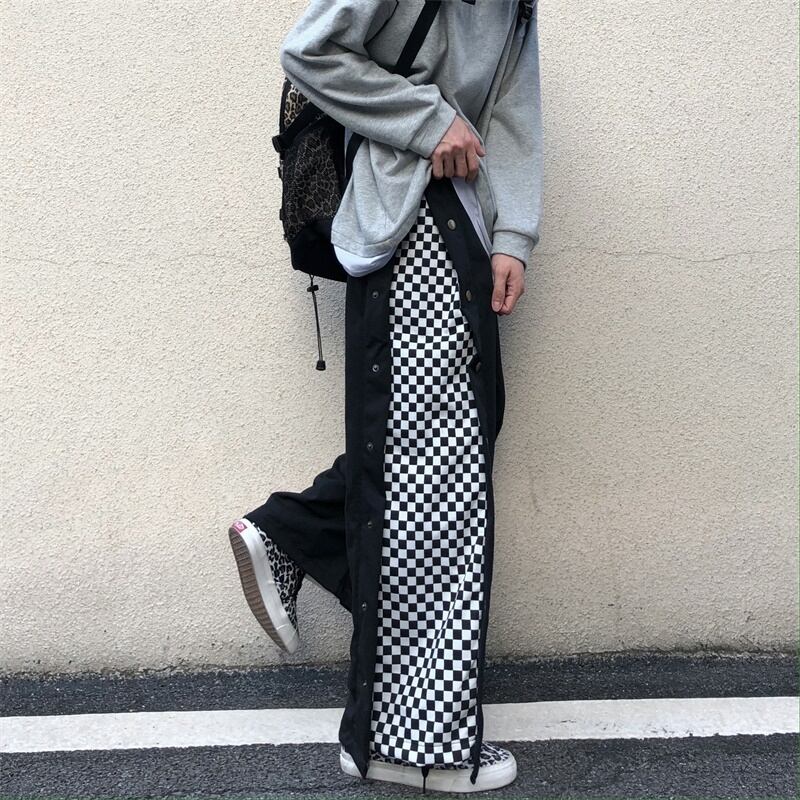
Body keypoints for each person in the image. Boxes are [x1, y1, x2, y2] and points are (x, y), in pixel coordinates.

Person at [227, 0, 542, 793]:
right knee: (434, 475)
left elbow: (511, 107)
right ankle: (414, 746)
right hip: (409, 224)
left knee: (441, 459)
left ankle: (295, 535)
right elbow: (311, 51)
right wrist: (428, 121)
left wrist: (512, 234)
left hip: (461, 224)